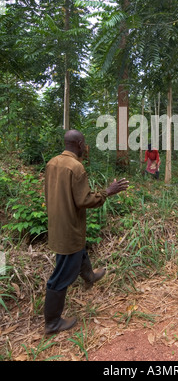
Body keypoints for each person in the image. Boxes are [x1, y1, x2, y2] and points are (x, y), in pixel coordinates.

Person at [44, 129, 129, 335]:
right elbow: (84, 201)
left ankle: (89, 276)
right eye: (85, 144)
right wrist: (107, 192)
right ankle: (52, 322)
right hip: (69, 228)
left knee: (78, 251)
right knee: (61, 275)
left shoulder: (52, 163)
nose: (86, 147)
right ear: (80, 144)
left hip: (58, 223)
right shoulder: (76, 167)